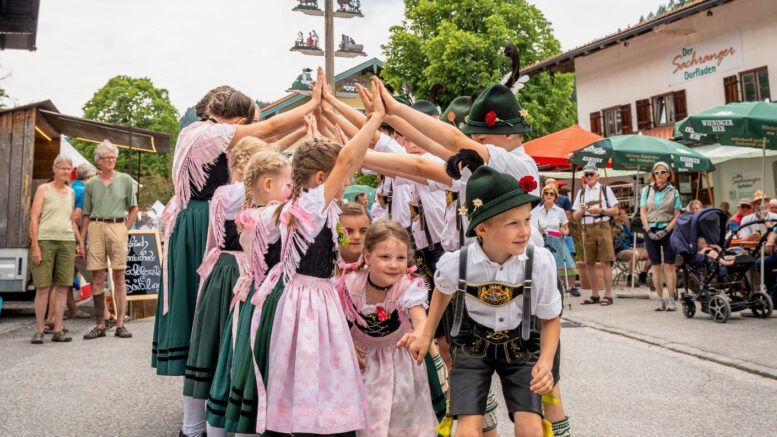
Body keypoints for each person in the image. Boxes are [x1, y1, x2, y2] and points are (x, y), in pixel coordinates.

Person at [153, 76, 321, 377]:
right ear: (241, 121)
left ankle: (207, 372)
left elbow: (266, 151)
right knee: (202, 298)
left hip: (194, 216)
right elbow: (269, 130)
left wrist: (306, 124)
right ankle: (205, 368)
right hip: (203, 219)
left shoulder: (199, 131)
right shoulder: (210, 133)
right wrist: (313, 103)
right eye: (251, 123)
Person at [250, 78, 384, 435]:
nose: (347, 181)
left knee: (314, 370)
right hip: (310, 300)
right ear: (322, 177)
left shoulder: (303, 202)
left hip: (307, 296)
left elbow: (343, 157)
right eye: (343, 177)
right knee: (316, 369)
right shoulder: (312, 203)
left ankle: (312, 423)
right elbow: (346, 158)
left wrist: (322, 130)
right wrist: (375, 118)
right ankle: (315, 425)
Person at [402, 165, 561, 437]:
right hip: (472, 346)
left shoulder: (538, 262)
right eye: (513, 223)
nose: (524, 231)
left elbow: (550, 318)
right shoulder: (457, 263)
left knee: (531, 427)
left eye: (526, 220)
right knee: (467, 430)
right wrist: (426, 334)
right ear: (483, 228)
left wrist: (545, 363)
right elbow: (442, 290)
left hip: (521, 345)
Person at [181, 137, 270, 436]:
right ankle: (227, 422)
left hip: (220, 268)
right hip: (243, 271)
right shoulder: (255, 195)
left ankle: (195, 425)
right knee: (233, 348)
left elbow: (213, 238)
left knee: (209, 347)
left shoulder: (221, 193)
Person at [206, 151, 289, 437]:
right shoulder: (272, 215)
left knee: (237, 363)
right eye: (288, 184)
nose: (291, 190)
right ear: (268, 184)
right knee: (252, 368)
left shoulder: (250, 213)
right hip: (264, 297)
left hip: (251, 292)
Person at [339, 221, 439, 436]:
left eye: (400, 258)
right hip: (362, 363)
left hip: (399, 363)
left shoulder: (408, 287)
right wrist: (345, 343)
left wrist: (419, 334)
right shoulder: (349, 283)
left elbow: (420, 320)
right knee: (367, 423)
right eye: (385, 257)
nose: (394, 265)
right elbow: (336, 321)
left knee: (401, 421)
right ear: (367, 256)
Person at [81, 141, 138, 339]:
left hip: (117, 225)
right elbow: (86, 214)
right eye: (106, 157)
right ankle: (100, 324)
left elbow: (134, 208)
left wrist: (124, 229)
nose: (111, 160)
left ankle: (121, 324)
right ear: (99, 160)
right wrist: (82, 240)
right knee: (97, 276)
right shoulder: (91, 184)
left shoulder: (125, 180)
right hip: (96, 226)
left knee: (119, 276)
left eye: (113, 157)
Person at [29, 155, 84, 344]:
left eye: (69, 169)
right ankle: (39, 330)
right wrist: (35, 245)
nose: (65, 172)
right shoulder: (43, 189)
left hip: (66, 242)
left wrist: (79, 242)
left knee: (62, 286)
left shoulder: (71, 192)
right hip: (45, 240)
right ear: (54, 169)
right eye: (62, 168)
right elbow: (34, 218)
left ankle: (58, 329)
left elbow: (71, 221)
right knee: (43, 287)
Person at [573, 163, 619, 306]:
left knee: (606, 261)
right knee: (589, 262)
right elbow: (575, 216)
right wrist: (582, 210)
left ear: (597, 175)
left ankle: (608, 295)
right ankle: (594, 295)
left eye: (591, 174)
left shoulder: (605, 189)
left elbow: (616, 211)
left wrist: (600, 210)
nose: (588, 177)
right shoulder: (581, 192)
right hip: (587, 228)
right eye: (586, 175)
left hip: (602, 225)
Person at [639, 162, 682, 311]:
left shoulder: (673, 191)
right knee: (655, 265)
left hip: (668, 230)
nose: (659, 175)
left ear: (668, 174)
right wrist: (648, 229)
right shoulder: (647, 190)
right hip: (650, 229)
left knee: (669, 265)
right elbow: (643, 211)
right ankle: (659, 299)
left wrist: (667, 230)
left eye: (663, 172)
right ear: (653, 175)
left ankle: (671, 299)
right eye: (656, 173)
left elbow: (677, 214)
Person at [60, 162, 97, 322]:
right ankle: (106, 314)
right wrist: (81, 241)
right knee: (95, 277)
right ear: (90, 176)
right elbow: (77, 218)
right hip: (80, 241)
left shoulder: (71, 187)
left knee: (67, 279)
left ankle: (73, 309)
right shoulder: (84, 191)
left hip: (66, 239)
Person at [531, 184, 578, 289]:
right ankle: (547, 288)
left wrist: (564, 232)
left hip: (557, 239)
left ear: (555, 197)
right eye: (546, 193)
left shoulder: (560, 211)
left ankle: (568, 287)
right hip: (542, 241)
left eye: (551, 194)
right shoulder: (537, 211)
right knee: (545, 265)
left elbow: (566, 229)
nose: (548, 195)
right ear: (543, 196)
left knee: (568, 264)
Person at [612, 207, 650, 286]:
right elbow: (619, 245)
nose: (626, 216)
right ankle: (630, 278)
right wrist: (633, 250)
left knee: (652, 253)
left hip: (630, 249)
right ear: (616, 216)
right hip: (619, 251)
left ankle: (643, 275)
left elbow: (632, 237)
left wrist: (645, 238)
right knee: (635, 254)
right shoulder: (613, 229)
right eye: (624, 214)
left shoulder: (624, 227)